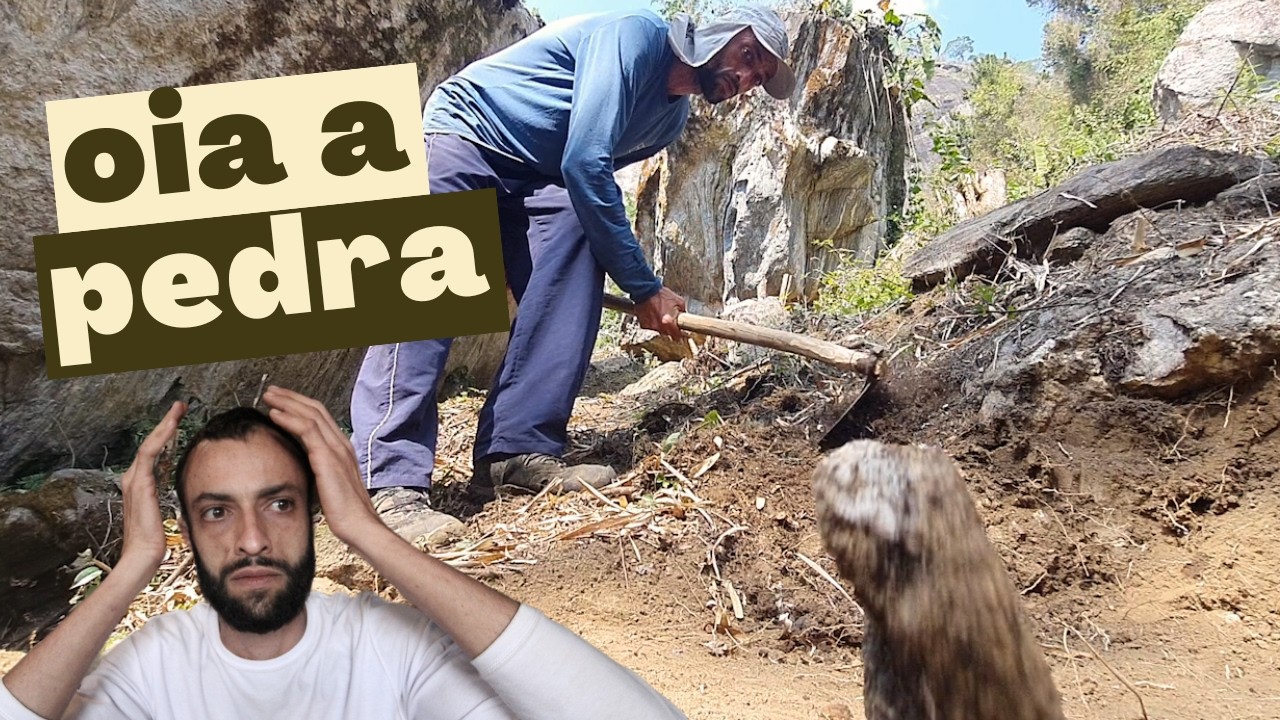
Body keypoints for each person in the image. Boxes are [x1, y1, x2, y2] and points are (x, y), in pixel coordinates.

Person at [350, 4, 797, 542]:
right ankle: (389, 483)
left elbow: (585, 192)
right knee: (430, 286)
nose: (746, 79)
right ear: (719, 32)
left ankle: (515, 452)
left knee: (579, 231)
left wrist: (580, 275)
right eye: (748, 57)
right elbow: (585, 163)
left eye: (760, 76)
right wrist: (644, 288)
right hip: (464, 138)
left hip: (535, 178)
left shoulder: (670, 119)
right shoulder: (635, 36)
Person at [0, 386, 687, 719]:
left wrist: (373, 533)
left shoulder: (386, 647)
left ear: (314, 514)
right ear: (186, 528)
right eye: (217, 512)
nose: (250, 541)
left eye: (279, 503)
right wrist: (130, 570)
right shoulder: (155, 666)